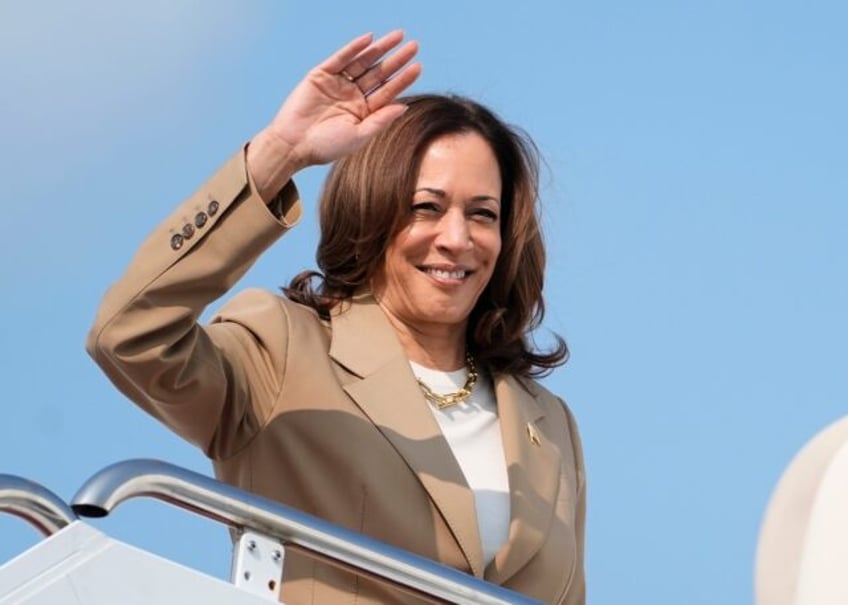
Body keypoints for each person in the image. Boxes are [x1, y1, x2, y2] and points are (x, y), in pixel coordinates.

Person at [87, 30, 586, 604]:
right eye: (427, 207)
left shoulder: (548, 425)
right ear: (373, 209)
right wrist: (279, 154)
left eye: (482, 214)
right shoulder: (281, 350)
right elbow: (127, 334)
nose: (457, 238)